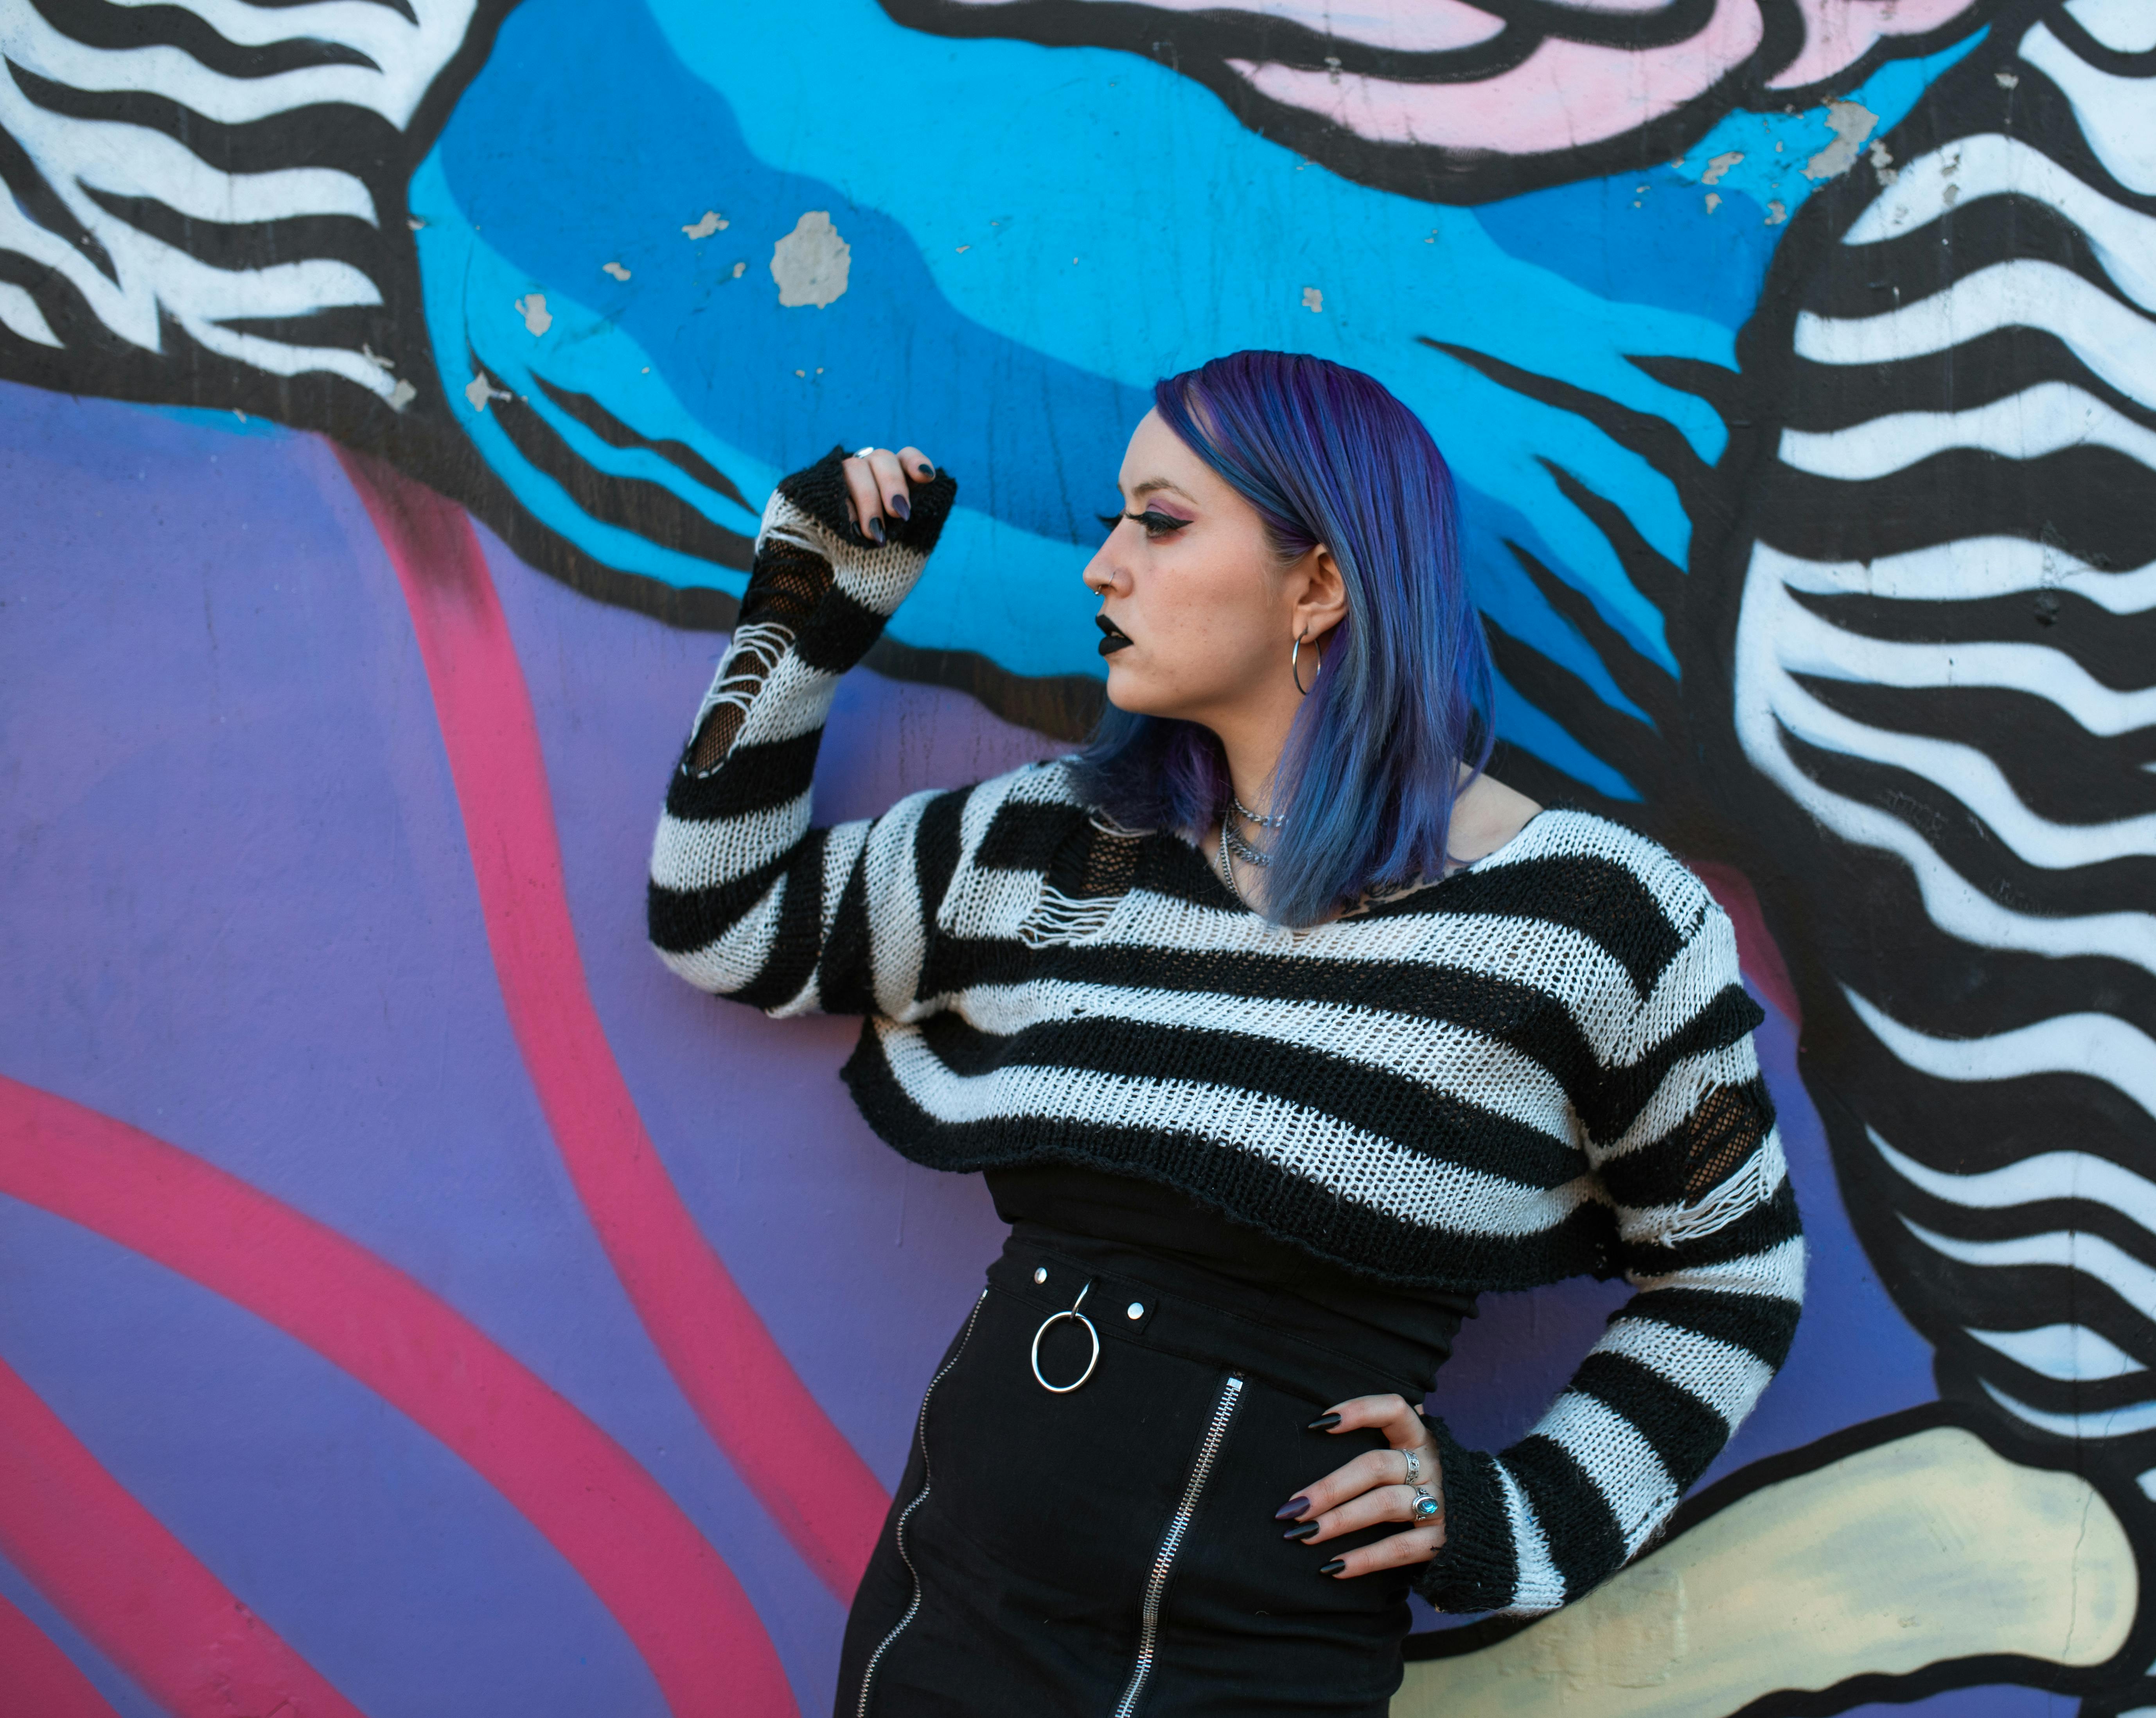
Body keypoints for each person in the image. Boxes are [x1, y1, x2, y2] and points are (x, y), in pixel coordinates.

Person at [647, 350, 1803, 1715]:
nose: (1105, 568)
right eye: (1114, 522)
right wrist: (811, 600)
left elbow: (1734, 1274)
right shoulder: (1061, 843)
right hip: (953, 1617)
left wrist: (1518, 1513)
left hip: (1261, 1660)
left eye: (1162, 518)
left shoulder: (1596, 918)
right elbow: (722, 917)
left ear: (1320, 582)